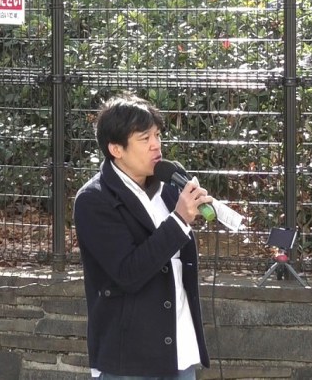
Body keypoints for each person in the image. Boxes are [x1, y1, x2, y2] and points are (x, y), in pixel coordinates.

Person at [74, 94, 211, 379]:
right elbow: (127, 273)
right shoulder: (94, 200)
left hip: (180, 348)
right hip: (129, 359)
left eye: (157, 135)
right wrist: (179, 220)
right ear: (116, 149)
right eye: (144, 138)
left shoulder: (170, 185)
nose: (156, 144)